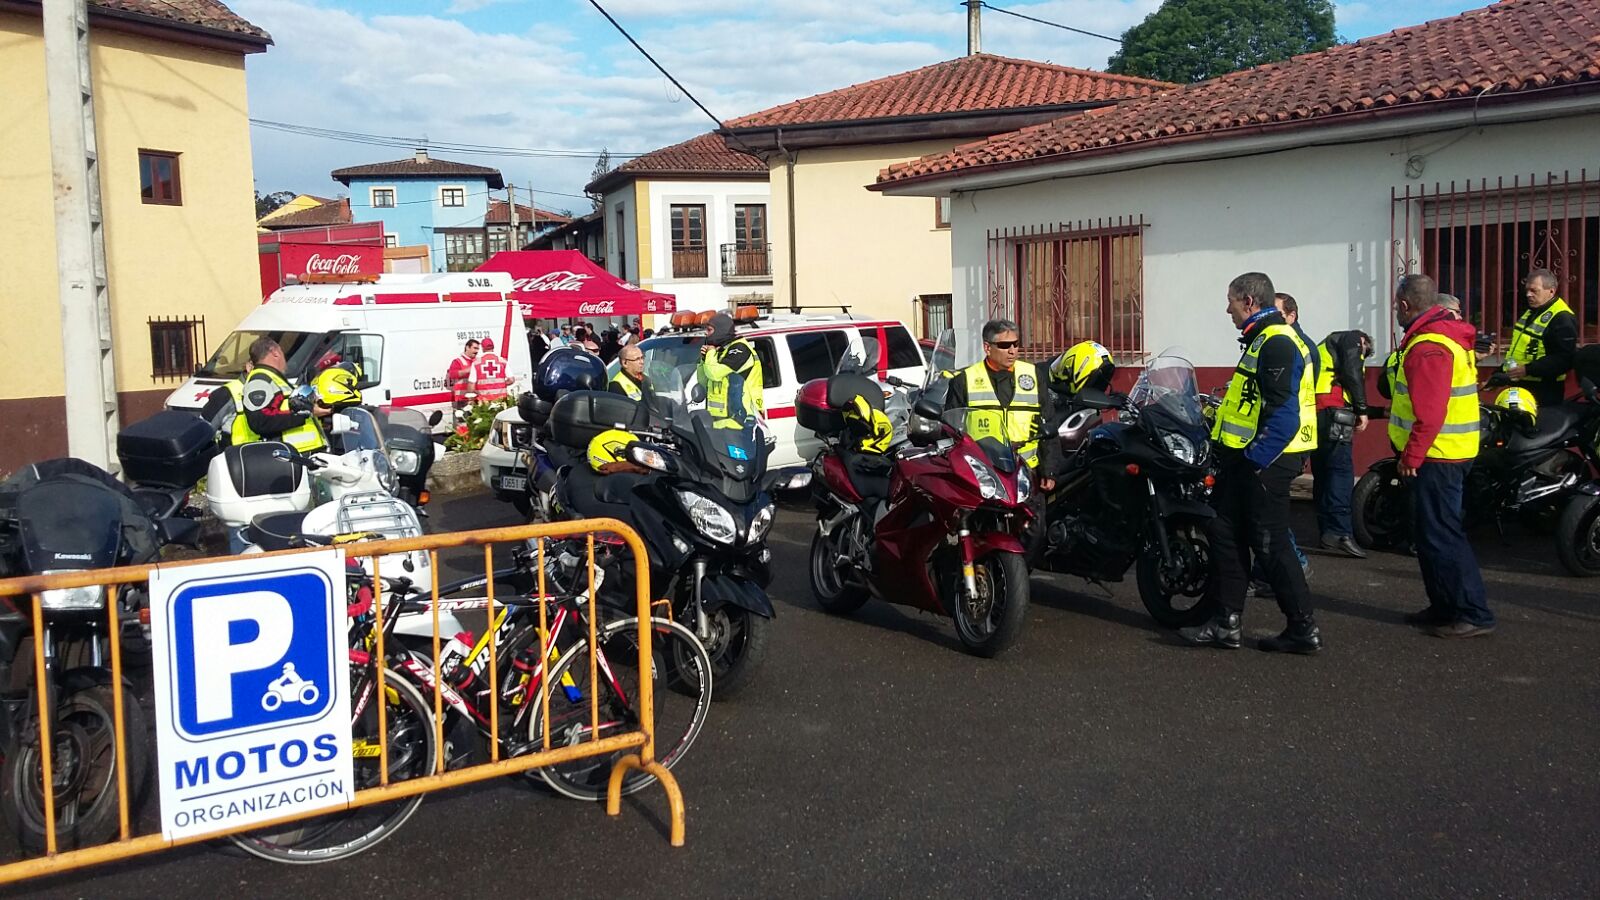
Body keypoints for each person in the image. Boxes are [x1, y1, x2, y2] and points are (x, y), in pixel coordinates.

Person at [1180, 272, 1320, 654]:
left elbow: (1284, 415)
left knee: (1270, 544)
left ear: (1248, 301)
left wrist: (1255, 461)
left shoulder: (1276, 341)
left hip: (1266, 462)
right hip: (1248, 460)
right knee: (1225, 532)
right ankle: (1227, 623)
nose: (1227, 309)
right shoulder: (1262, 339)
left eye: (1230, 301)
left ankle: (1302, 628)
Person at [1390, 274, 1495, 637]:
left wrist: (1411, 457)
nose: (1396, 311)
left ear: (1405, 305)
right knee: (1430, 535)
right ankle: (1444, 607)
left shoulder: (1429, 346)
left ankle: (1472, 612)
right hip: (1448, 451)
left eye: (1396, 305)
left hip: (1438, 455)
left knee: (1442, 535)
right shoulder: (1445, 336)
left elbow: (1431, 413)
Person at [943, 318, 1056, 488]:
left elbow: (1049, 424)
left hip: (1026, 470)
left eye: (1015, 344)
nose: (1012, 351)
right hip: (982, 471)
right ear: (987, 348)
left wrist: (1049, 470)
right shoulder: (964, 380)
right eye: (1004, 345)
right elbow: (951, 429)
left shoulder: (1033, 375)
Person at [1311, 327, 1374, 558]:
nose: (1362, 356)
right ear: (1364, 342)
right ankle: (1340, 533)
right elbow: (1352, 372)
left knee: (1323, 474)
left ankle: (1327, 532)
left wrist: (1377, 411)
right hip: (1334, 414)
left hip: (1317, 413)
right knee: (1341, 473)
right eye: (1365, 352)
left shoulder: (1325, 346)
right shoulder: (1352, 338)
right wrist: (1362, 409)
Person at [1494, 268, 1577, 407]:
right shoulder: (1532, 311)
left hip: (1544, 390)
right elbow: (1519, 351)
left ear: (1551, 291)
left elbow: (1565, 359)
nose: (1528, 294)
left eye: (1534, 290)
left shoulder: (1562, 317)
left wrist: (1528, 369)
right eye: (1527, 290)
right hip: (1520, 385)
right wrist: (1498, 375)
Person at [697, 312, 765, 426]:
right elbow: (703, 381)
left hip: (742, 419)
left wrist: (710, 353)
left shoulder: (740, 349)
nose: (706, 333)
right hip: (720, 421)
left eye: (709, 330)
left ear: (720, 330)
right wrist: (704, 360)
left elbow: (714, 374)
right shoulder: (721, 351)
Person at [469, 338, 510, 403]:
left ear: (482, 348)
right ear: (493, 347)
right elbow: (511, 379)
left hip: (484, 402)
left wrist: (481, 391)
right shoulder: (502, 361)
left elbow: (471, 387)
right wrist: (501, 385)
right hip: (501, 400)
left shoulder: (476, 363)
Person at [448, 339, 481, 415]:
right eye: (475, 348)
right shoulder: (458, 361)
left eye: (478, 349)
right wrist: (469, 370)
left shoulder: (479, 361)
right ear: (467, 347)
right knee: (463, 420)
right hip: (463, 398)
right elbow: (453, 375)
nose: (476, 351)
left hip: (476, 398)